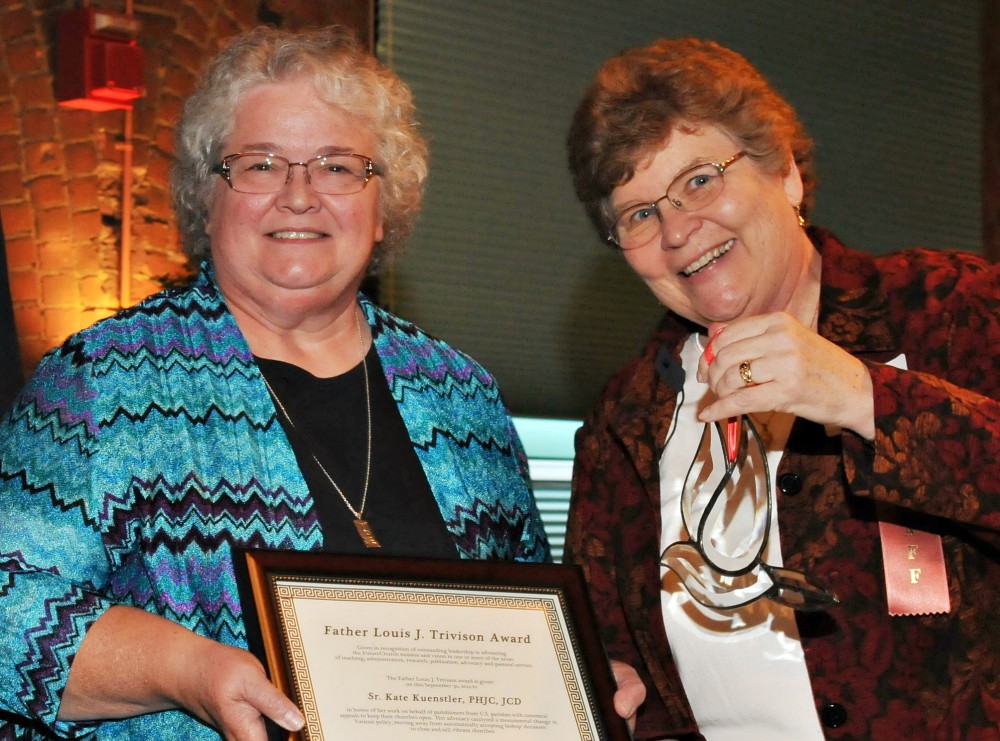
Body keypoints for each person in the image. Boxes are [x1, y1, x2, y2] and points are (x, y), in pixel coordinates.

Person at [0, 26, 555, 740]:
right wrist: (186, 667)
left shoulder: (465, 398)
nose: (299, 195)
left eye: (337, 166)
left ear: (384, 205)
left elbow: (529, 618)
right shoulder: (102, 383)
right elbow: (11, 610)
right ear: (208, 195)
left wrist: (580, 683)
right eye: (260, 164)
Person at [564, 36, 1000, 741]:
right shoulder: (625, 424)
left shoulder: (952, 312)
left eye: (700, 179)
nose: (677, 230)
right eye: (639, 214)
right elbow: (620, 668)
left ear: (786, 173)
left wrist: (868, 397)